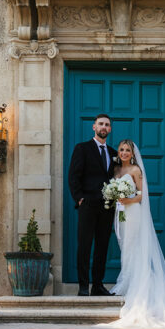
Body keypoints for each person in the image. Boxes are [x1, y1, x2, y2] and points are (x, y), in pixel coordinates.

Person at [108, 139, 165, 327]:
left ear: (133, 154)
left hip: (133, 212)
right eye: (122, 150)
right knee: (124, 245)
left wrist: (128, 200)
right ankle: (126, 280)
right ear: (118, 152)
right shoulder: (116, 170)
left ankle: (135, 283)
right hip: (121, 213)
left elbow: (142, 195)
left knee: (133, 246)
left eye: (128, 150)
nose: (124, 153)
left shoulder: (135, 171)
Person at [67, 112, 117, 296]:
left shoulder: (113, 153)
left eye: (107, 125)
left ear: (110, 129)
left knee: (102, 246)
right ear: (94, 127)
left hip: (107, 207)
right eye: (100, 124)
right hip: (87, 204)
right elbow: (73, 176)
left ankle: (97, 285)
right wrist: (79, 198)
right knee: (85, 245)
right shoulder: (82, 148)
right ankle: (83, 286)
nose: (104, 127)